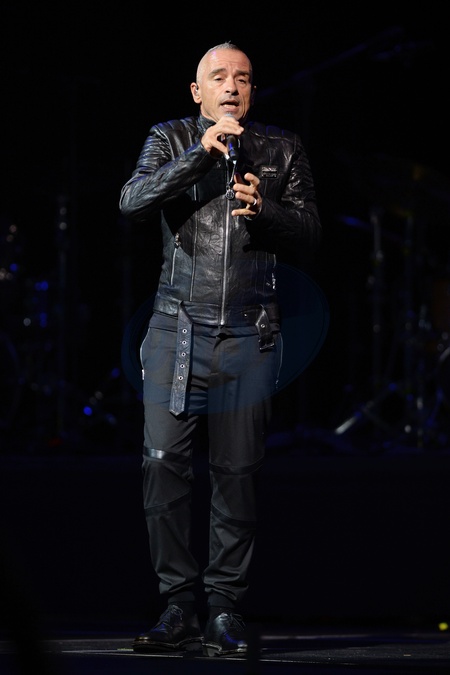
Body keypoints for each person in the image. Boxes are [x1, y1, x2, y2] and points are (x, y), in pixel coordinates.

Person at [119, 41, 322, 658]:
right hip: (176, 329)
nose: (232, 86)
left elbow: (311, 231)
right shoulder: (170, 137)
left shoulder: (282, 148)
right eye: (220, 77)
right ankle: (177, 605)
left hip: (249, 333)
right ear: (197, 91)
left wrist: (267, 211)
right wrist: (197, 156)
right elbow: (132, 201)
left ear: (252, 91)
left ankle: (225, 608)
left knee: (237, 473)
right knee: (162, 466)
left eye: (244, 78)